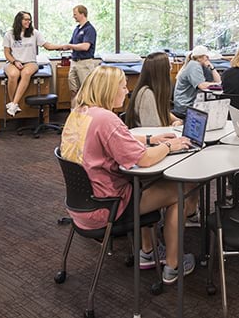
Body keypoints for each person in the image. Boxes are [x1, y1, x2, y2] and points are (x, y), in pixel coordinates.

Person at [60, 66, 198, 284]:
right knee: (180, 189)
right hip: (108, 207)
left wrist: (152, 139)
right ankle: (174, 264)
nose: (126, 91)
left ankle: (148, 251)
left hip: (82, 205)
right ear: (108, 90)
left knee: (146, 180)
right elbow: (144, 159)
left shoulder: (80, 113)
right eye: (122, 87)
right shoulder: (106, 119)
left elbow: (117, 140)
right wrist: (170, 146)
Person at [3, 11, 65, 117]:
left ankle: (13, 104)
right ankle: (14, 103)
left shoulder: (34, 33)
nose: (29, 21)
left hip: (30, 62)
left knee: (26, 73)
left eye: (29, 19)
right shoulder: (9, 34)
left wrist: (62, 46)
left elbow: (47, 45)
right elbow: (7, 53)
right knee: (13, 75)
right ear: (19, 20)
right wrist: (15, 61)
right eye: (26, 19)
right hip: (13, 62)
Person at [125, 52, 183, 128]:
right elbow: (154, 129)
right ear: (162, 72)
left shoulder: (152, 91)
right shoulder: (147, 94)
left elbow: (161, 111)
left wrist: (177, 120)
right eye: (169, 67)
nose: (170, 70)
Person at [173, 45, 221, 118]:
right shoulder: (194, 66)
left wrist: (212, 67)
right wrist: (216, 84)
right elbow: (201, 85)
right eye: (206, 57)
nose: (208, 59)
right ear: (200, 58)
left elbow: (218, 80)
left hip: (189, 104)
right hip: (185, 107)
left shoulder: (201, 65)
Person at [62, 5, 97, 102]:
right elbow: (70, 44)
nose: (73, 16)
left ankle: (87, 115)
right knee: (73, 90)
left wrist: (69, 46)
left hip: (85, 63)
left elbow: (85, 47)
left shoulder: (89, 29)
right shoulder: (77, 29)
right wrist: (57, 47)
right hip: (74, 63)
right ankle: (74, 113)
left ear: (82, 14)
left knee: (86, 91)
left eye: (75, 14)